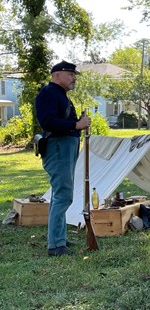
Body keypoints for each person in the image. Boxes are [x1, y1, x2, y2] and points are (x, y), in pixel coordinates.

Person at [35, 61, 91, 257]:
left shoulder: (59, 95)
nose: (74, 77)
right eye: (70, 74)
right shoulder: (49, 94)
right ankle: (56, 245)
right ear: (57, 75)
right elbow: (48, 121)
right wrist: (77, 125)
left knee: (62, 194)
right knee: (63, 195)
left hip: (65, 147)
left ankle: (58, 237)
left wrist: (77, 124)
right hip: (58, 147)